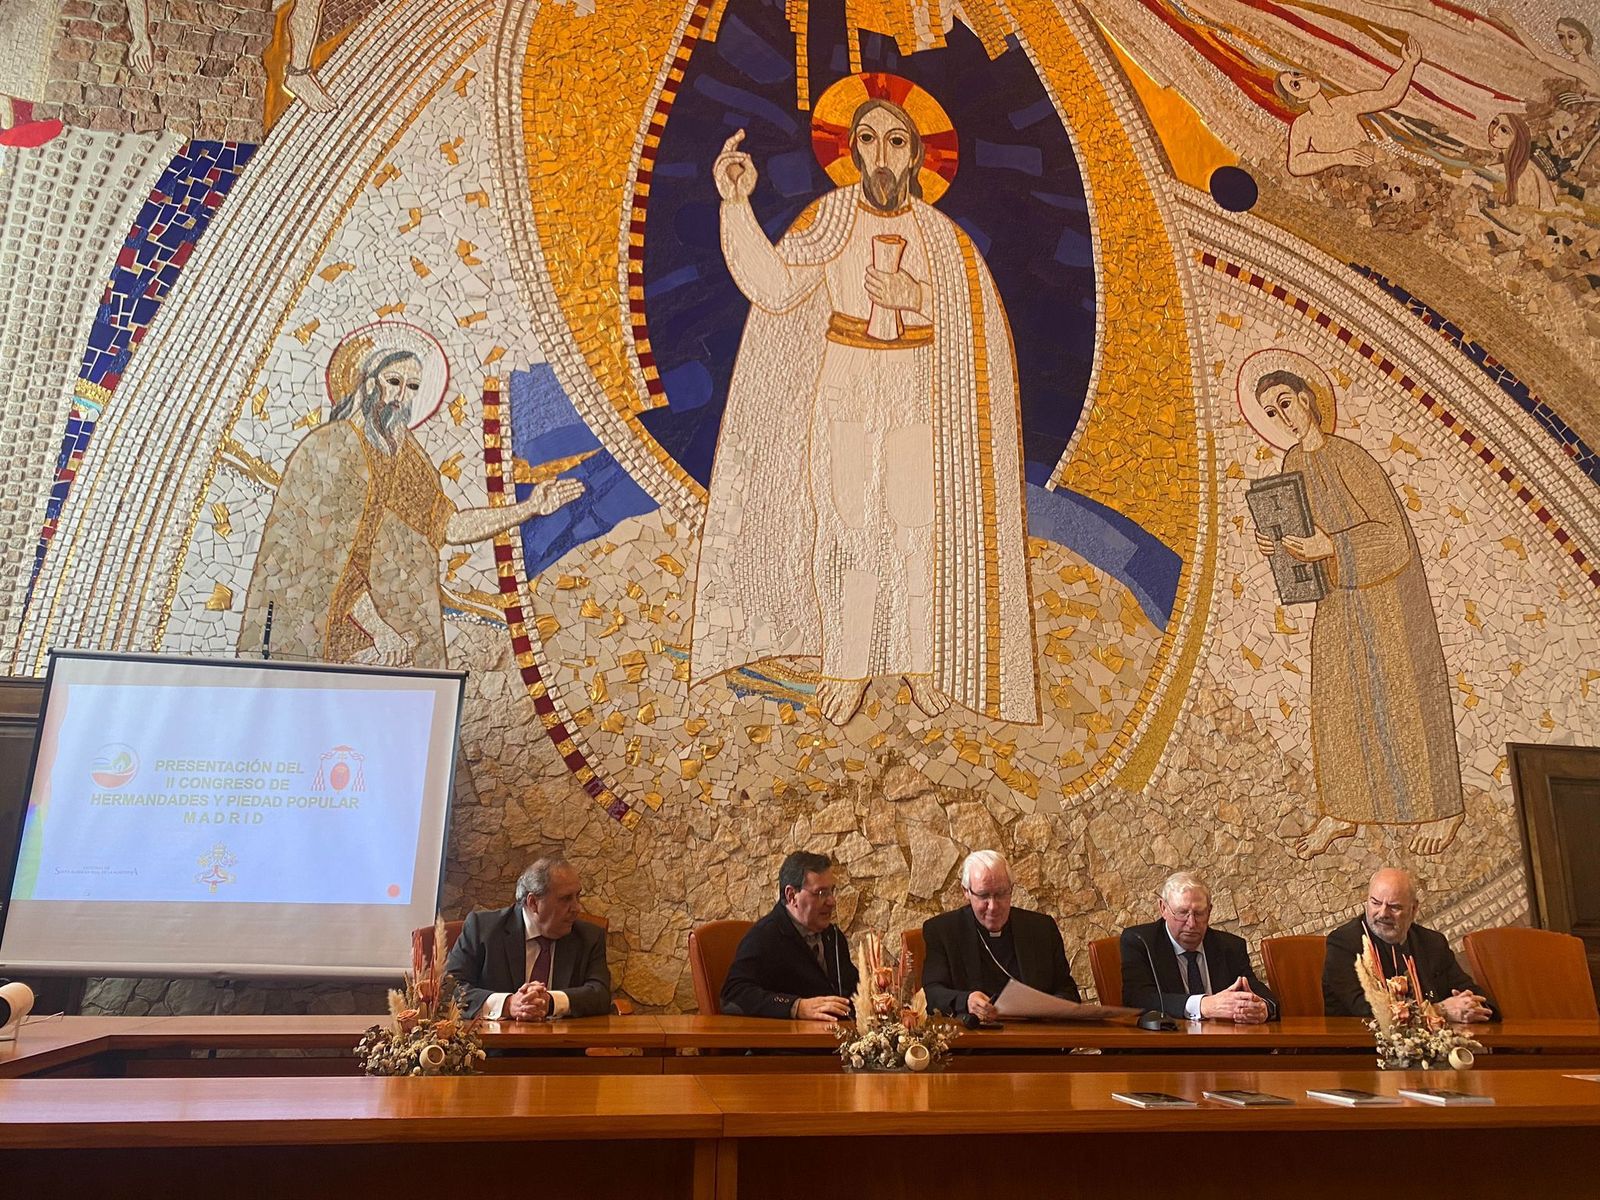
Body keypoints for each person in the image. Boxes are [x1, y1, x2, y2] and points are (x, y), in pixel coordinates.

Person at [690, 84, 1038, 726]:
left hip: (916, 392)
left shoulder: (942, 240)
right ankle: (847, 665)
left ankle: (920, 660)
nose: (882, 155)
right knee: (846, 523)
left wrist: (917, 297)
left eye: (896, 142)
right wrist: (736, 204)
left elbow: (981, 328)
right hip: (845, 388)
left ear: (916, 157)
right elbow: (772, 288)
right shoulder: (828, 221)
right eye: (869, 140)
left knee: (915, 527)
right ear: (852, 151)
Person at [237, 323, 581, 667]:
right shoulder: (333, 445)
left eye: (413, 386)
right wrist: (377, 629)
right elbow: (325, 559)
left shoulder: (406, 455)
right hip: (320, 623)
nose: (402, 396)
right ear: (369, 383)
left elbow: (448, 526)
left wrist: (528, 508)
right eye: (394, 382)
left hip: (384, 634)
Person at [1242, 351, 1464, 859]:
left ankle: (1441, 807)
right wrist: (1279, 547)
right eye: (1271, 413)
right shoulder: (1292, 464)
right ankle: (1342, 810)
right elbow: (1304, 534)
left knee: (1404, 696)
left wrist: (1333, 547)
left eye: (1285, 403)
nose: (1282, 417)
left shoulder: (1351, 458)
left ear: (1306, 399)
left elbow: (1393, 538)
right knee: (1338, 700)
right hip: (1339, 599)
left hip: (1387, 599)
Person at [443, 855, 612, 1021]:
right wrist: (508, 1004)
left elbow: (600, 994)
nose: (576, 907)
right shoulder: (483, 929)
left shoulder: (589, 937)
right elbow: (450, 989)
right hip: (495, 1046)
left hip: (563, 1045)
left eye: (577, 896)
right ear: (533, 903)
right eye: (566, 899)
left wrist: (550, 1002)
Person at [921, 850, 1080, 1021]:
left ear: (1011, 888)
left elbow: (1067, 990)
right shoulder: (943, 930)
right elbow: (932, 993)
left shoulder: (1042, 928)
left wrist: (1050, 1007)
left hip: (1035, 1040)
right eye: (983, 895)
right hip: (975, 1043)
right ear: (966, 891)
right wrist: (966, 1001)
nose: (993, 906)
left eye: (1001, 894)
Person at [1323, 867, 1495, 1021]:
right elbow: (1366, 1010)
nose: (1383, 913)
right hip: (1362, 1049)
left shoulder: (1432, 943)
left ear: (1413, 910)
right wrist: (1440, 1010)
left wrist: (1471, 1005)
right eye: (1375, 903)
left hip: (1433, 1048)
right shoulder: (1343, 943)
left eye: (1394, 907)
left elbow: (1472, 992)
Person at [1119, 871, 1276, 1022]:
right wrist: (1203, 1005)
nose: (1192, 923)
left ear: (1209, 911)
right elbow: (1138, 999)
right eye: (1182, 913)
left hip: (1222, 1042)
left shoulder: (1230, 947)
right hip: (1168, 1042)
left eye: (1199, 913)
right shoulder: (1141, 942)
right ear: (1163, 909)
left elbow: (1260, 993)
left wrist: (1263, 1007)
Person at [720, 851, 859, 1020]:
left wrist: (876, 992)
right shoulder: (765, 936)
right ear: (792, 896)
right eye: (821, 893)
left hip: (836, 1039)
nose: (832, 901)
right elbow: (734, 993)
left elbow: (852, 990)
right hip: (788, 1042)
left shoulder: (833, 937)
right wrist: (796, 1007)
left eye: (832, 891)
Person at [1278, 38, 1424, 176]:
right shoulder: (1304, 124)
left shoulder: (1343, 104)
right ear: (1299, 100)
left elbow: (1387, 97)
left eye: (1296, 74)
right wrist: (1339, 157)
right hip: (1354, 182)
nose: (1303, 78)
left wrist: (1409, 65)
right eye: (1296, 85)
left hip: (1379, 169)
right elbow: (1295, 164)